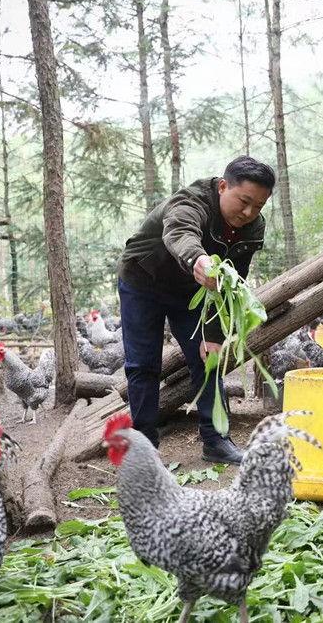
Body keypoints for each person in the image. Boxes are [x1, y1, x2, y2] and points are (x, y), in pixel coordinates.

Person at [117, 156, 274, 464]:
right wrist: (198, 261)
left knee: (209, 360)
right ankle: (145, 450)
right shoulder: (191, 201)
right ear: (223, 186)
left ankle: (216, 440)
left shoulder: (253, 227)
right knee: (143, 365)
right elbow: (179, 231)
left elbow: (232, 281)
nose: (248, 212)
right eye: (244, 201)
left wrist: (214, 333)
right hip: (143, 280)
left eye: (258, 206)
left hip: (193, 292)